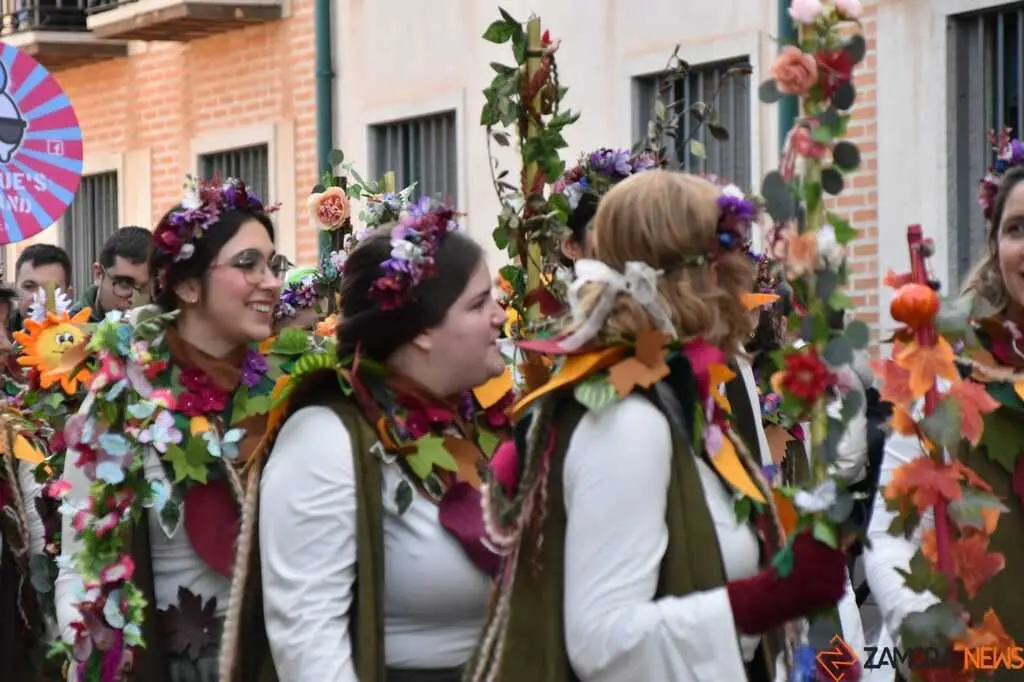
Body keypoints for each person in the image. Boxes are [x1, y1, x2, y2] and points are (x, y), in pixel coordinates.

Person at [469, 170, 848, 682]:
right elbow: (602, 642)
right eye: (728, 257)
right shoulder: (627, 422)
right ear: (689, 278)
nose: (743, 280)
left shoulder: (678, 398)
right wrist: (766, 599)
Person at [259, 199, 512, 682]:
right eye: (479, 304)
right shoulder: (326, 440)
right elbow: (308, 643)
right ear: (421, 331)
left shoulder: (471, 420)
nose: (500, 316)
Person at [54, 176, 286, 682]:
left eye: (274, 264)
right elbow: (82, 563)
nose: (270, 280)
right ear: (185, 284)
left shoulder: (287, 392)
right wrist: (95, 658)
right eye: (249, 264)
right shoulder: (124, 394)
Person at [865, 152, 1024, 681]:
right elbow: (888, 534)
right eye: (1018, 228)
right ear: (995, 247)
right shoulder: (946, 370)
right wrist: (921, 628)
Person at [74, 226, 153, 321]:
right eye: (124, 284)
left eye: (144, 288)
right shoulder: (67, 329)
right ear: (98, 274)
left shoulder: (165, 328)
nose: (134, 301)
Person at [9, 244, 71, 333]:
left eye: (50, 289)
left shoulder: (83, 340)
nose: (39, 299)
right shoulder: (4, 336)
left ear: (67, 296)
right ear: (16, 291)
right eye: (29, 286)